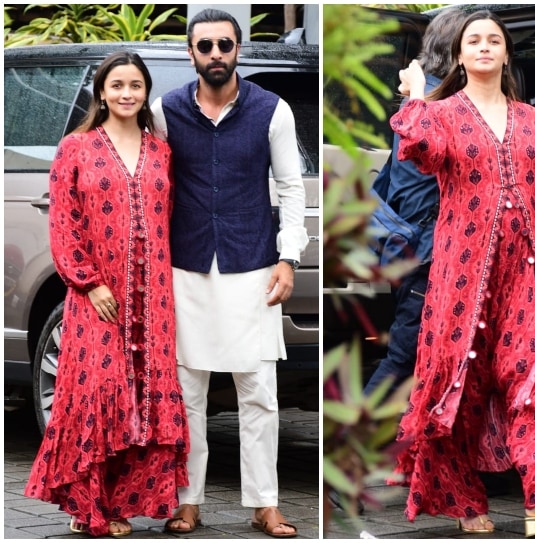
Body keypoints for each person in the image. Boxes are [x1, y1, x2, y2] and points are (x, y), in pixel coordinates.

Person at [388, 10, 535, 537]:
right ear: (459, 55)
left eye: (493, 40)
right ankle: (464, 501)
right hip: (464, 274)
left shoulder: (531, 119)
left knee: (531, 379)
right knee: (464, 384)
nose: (483, 47)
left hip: (529, 271)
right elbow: (416, 149)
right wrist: (415, 94)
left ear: (505, 53)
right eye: (473, 40)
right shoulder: (442, 113)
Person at [149, 8, 308, 538]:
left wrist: (289, 257)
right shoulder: (165, 112)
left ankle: (265, 504)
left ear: (238, 49)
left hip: (254, 265)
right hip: (185, 266)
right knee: (186, 391)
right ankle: (187, 501)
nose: (215, 54)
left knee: (259, 390)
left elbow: (291, 188)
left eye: (225, 44)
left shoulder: (273, 110)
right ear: (190, 53)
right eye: (205, 46)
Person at [24, 50, 189, 538]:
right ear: (101, 91)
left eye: (135, 85)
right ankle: (88, 506)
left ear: (145, 93)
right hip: (97, 294)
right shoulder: (75, 147)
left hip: (153, 297)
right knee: (97, 396)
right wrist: (89, 281)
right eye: (117, 85)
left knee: (143, 398)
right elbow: (63, 223)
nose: (126, 93)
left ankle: (122, 505)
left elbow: (169, 216)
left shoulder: (161, 151)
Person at [363, 7, 467, 399]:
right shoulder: (434, 108)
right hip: (428, 254)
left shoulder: (424, 102)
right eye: (472, 41)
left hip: (412, 251)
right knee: (405, 356)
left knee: (417, 355)